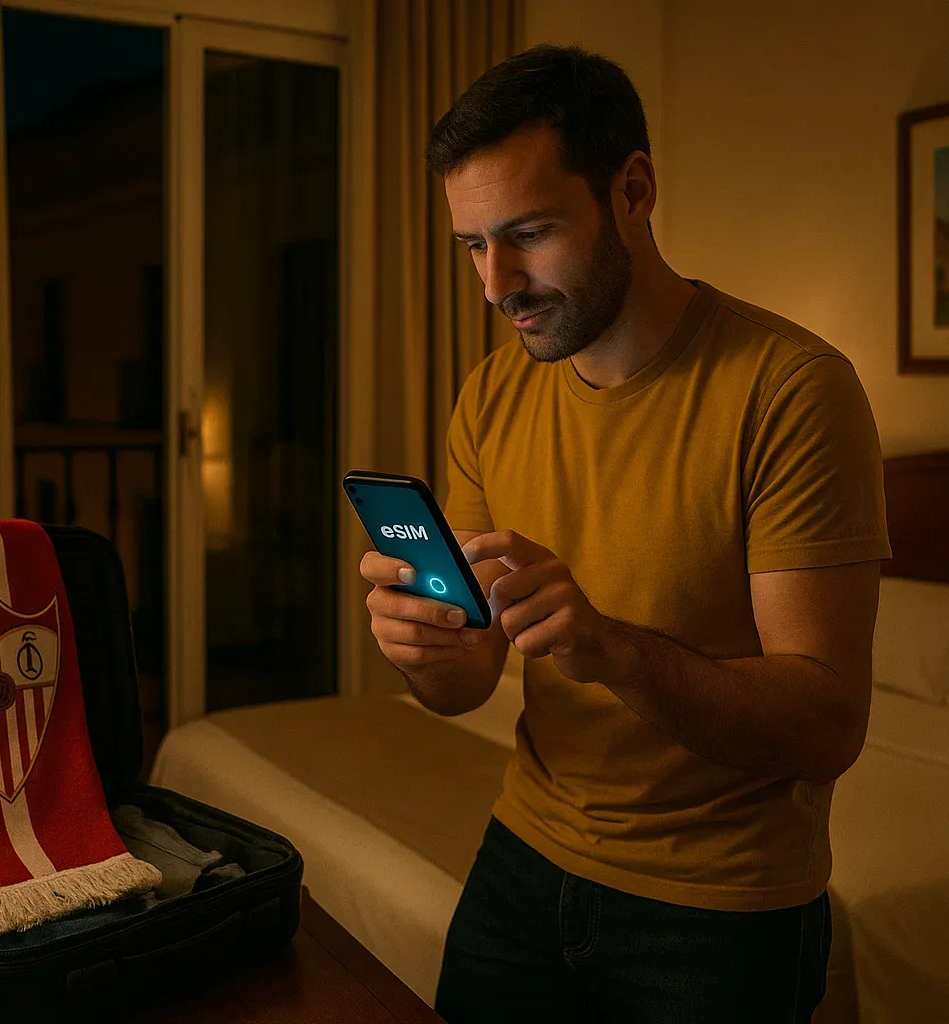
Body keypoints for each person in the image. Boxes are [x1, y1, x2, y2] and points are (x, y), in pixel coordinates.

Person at [358, 43, 890, 1024]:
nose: (496, 284)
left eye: (528, 234)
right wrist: (422, 649)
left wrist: (608, 647)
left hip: (720, 908)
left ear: (634, 190)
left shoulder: (792, 393)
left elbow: (828, 726)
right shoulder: (491, 394)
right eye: (473, 245)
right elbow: (467, 681)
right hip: (526, 851)